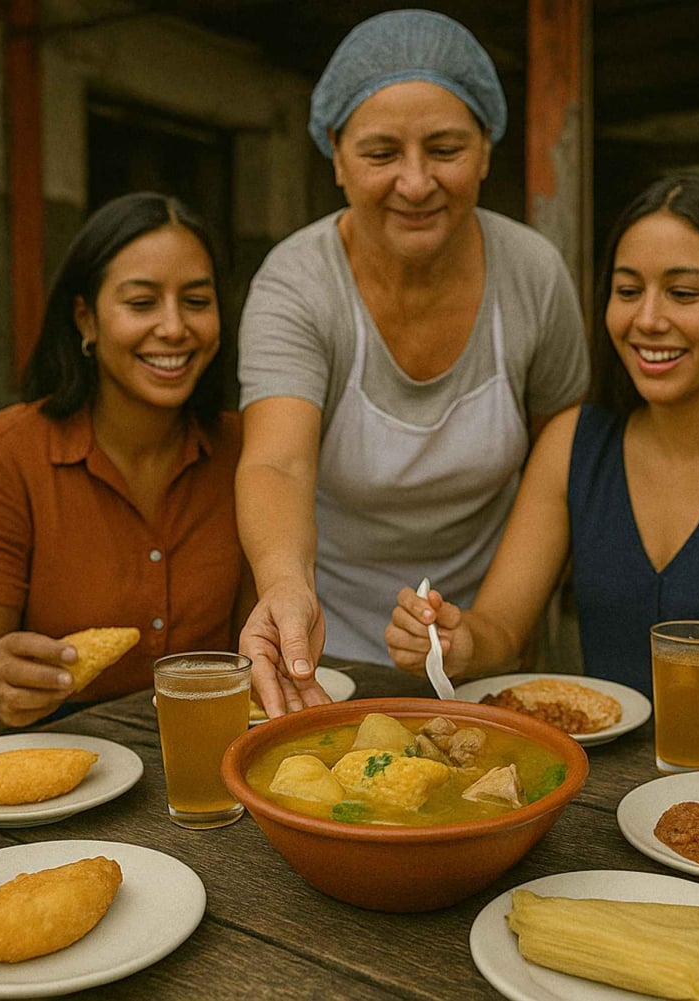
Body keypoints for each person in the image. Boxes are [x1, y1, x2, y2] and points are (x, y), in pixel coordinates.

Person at [389, 174, 699, 768]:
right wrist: (457, 641)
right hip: (597, 796)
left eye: (683, 293)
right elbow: (503, 630)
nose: (647, 319)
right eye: (627, 289)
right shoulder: (573, 441)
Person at [237, 9, 588, 715]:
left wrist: (492, 629)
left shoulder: (533, 273)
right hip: (323, 663)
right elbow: (279, 461)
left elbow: (563, 453)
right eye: (380, 153)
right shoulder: (297, 282)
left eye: (446, 148)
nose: (417, 182)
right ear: (335, 155)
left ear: (487, 149)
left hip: (491, 658)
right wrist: (282, 585)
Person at [0, 193, 250, 733]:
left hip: (212, 754)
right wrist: (1, 690)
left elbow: (254, 653)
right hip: (59, 759)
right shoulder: (5, 454)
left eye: (197, 301)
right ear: (86, 319)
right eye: (142, 303)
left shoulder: (249, 450)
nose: (174, 328)